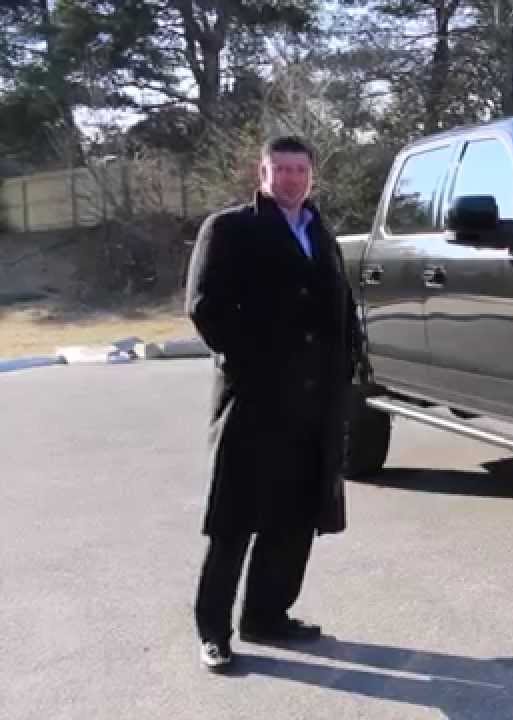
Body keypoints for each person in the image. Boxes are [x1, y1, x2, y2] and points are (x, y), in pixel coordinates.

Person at [185, 135, 360, 671]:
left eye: (299, 169)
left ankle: (267, 615)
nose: (291, 178)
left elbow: (341, 305)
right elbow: (204, 307)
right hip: (255, 402)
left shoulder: (320, 232)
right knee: (234, 520)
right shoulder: (229, 228)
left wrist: (349, 360)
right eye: (280, 169)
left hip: (314, 404)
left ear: (312, 175)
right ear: (262, 173)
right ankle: (213, 632)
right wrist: (255, 363)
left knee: (294, 517)